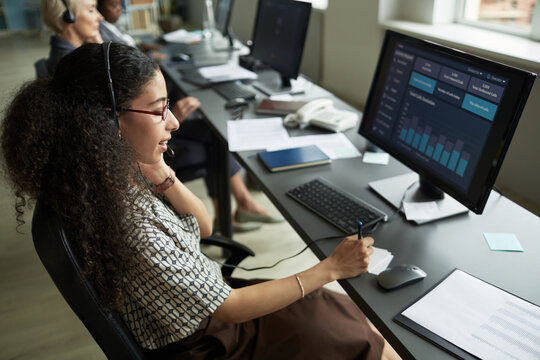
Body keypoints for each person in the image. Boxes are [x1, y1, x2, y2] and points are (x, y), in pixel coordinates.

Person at [1, 42, 399, 359]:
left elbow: (204, 227)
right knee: (352, 335)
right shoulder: (127, 225)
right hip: (210, 340)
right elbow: (229, 308)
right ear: (106, 121)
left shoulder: (102, 175)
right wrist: (331, 267)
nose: (173, 121)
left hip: (208, 307)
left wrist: (159, 170)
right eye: (159, 112)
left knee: (337, 312)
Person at [95, 0, 282, 232]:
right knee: (215, 136)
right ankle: (236, 210)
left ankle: (240, 205)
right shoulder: (137, 220)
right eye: (158, 109)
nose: (101, 15)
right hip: (147, 150)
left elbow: (204, 230)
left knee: (213, 131)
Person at [41, 0, 104, 74]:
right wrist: (102, 51)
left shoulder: (68, 53)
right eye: (91, 10)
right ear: (68, 16)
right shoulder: (73, 64)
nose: (100, 17)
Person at [97, 0, 165, 60]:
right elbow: (122, 57)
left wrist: (142, 46)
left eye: (120, 4)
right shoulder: (101, 32)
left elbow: (128, 43)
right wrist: (150, 56)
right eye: (114, 5)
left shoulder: (112, 25)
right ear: (100, 8)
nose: (119, 8)